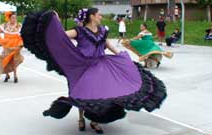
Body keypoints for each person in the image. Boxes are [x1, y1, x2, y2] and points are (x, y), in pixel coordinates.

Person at [21, 8, 167, 134]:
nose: (101, 17)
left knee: (99, 93)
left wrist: (119, 55)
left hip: (100, 64)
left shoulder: (103, 30)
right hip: (82, 66)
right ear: (92, 16)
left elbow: (107, 44)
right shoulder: (80, 31)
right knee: (82, 93)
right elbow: (61, 36)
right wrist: (56, 23)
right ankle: (80, 118)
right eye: (99, 15)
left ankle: (95, 121)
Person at [0, 12, 24, 83]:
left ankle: (15, 76)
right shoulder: (5, 25)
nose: (14, 19)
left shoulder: (19, 25)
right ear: (9, 18)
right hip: (7, 45)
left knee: (14, 60)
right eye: (12, 18)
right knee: (6, 59)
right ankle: (7, 75)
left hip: (15, 46)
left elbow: (23, 34)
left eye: (15, 18)